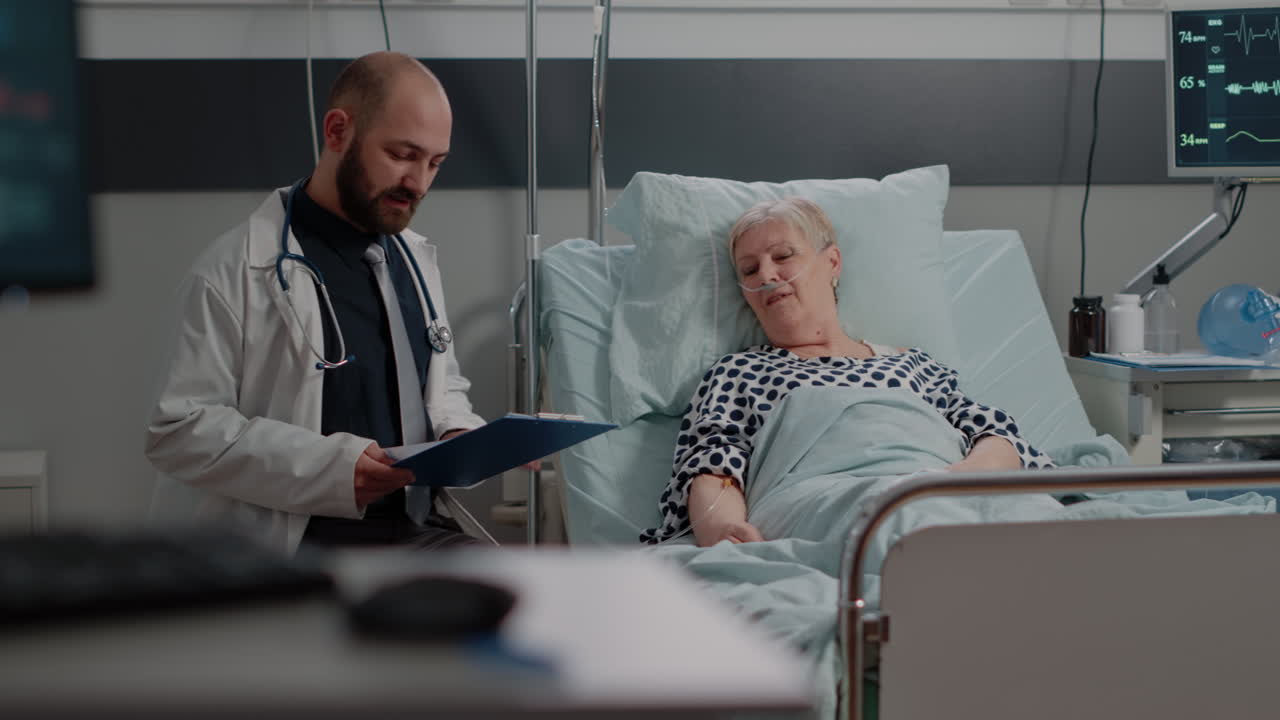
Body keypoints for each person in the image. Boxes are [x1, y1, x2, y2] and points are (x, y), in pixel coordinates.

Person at [145, 52, 488, 554]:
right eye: (401, 154)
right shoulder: (234, 269)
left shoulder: (412, 260)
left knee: (535, 596)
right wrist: (332, 468)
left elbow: (440, 381)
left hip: (414, 528)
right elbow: (178, 431)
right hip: (301, 542)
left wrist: (459, 431)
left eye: (434, 163)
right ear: (337, 131)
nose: (418, 183)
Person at [639, 197, 1054, 547]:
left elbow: (995, 436)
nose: (766, 275)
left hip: (935, 489)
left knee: (1042, 519)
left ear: (832, 262)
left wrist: (957, 481)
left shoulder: (915, 364)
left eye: (783, 256)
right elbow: (713, 469)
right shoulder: (739, 371)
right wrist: (729, 534)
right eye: (749, 270)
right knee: (903, 522)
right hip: (823, 500)